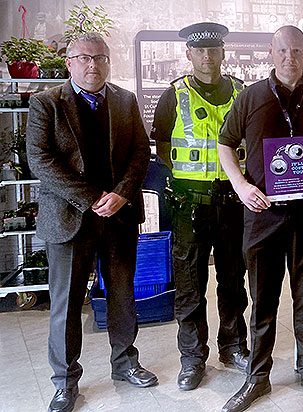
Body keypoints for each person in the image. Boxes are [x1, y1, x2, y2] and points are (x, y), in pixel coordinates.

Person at [217, 25, 303, 412]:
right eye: (282, 51)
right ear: (270, 53)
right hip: (262, 213)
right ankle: (257, 376)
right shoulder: (251, 96)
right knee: (263, 297)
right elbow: (225, 143)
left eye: (296, 50)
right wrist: (241, 186)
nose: (289, 57)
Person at [26, 32, 155, 412]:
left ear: (108, 61)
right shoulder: (45, 103)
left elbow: (139, 153)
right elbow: (41, 160)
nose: (93, 64)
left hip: (118, 216)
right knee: (66, 303)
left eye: (100, 57)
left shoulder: (125, 101)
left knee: (122, 295)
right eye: (84, 57)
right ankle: (65, 381)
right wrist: (92, 198)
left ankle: (125, 363)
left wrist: (122, 194)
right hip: (68, 218)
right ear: (69, 62)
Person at [149, 22, 250, 391]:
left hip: (232, 202)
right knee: (191, 284)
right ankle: (192, 358)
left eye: (213, 50)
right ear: (189, 54)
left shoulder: (242, 92)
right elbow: (162, 147)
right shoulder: (174, 95)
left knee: (232, 280)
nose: (207, 57)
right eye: (200, 51)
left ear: (223, 53)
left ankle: (233, 346)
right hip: (189, 205)